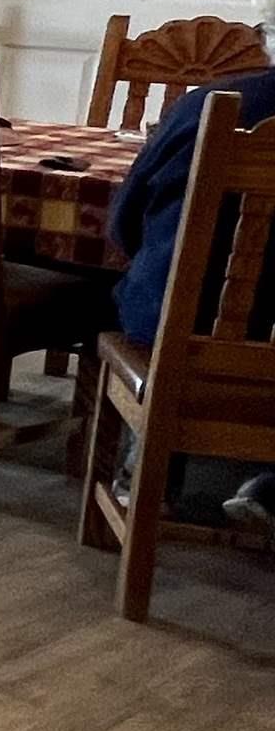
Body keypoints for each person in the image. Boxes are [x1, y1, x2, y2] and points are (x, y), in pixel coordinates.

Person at [107, 35, 275, 539]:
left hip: (175, 321)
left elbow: (124, 226)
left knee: (148, 296)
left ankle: (145, 468)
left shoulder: (208, 107)